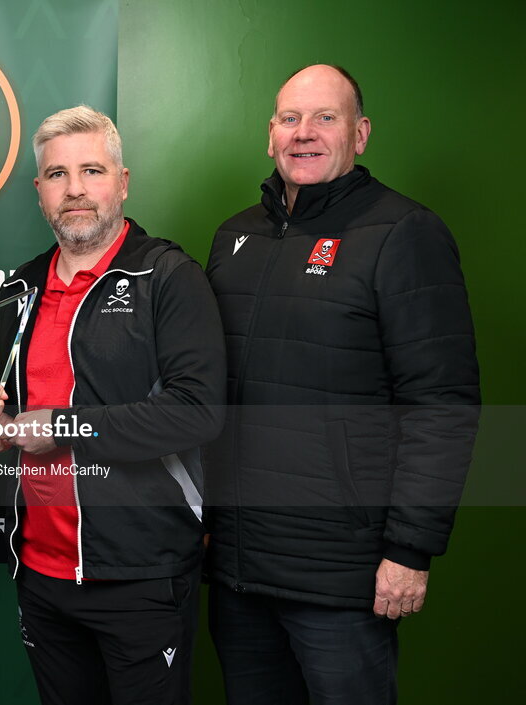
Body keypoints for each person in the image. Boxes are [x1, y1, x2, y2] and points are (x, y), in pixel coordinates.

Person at [204, 65, 480, 704]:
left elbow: (442, 404)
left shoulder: (404, 233)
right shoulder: (234, 237)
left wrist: (410, 550)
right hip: (240, 573)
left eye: (325, 117)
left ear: (360, 134)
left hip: (344, 579)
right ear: (270, 134)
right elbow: (213, 396)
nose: (305, 133)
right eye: (291, 119)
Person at [0, 106, 225, 705]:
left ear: (122, 181)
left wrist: (63, 426)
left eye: (92, 170)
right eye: (58, 175)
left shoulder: (167, 276)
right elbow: (17, 411)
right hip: (39, 570)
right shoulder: (20, 286)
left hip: (140, 573)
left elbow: (197, 411)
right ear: (40, 192)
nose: (76, 190)